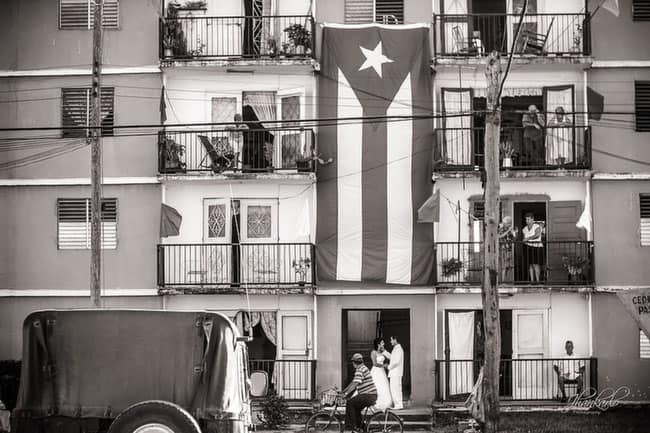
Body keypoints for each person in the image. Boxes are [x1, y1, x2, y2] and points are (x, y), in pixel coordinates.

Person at [343, 353, 377, 433]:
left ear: (354, 363)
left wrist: (345, 394)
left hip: (368, 395)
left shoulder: (360, 370)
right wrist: (344, 391)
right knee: (356, 408)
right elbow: (353, 383)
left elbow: (355, 384)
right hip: (370, 395)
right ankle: (361, 427)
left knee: (350, 403)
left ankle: (353, 427)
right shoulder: (363, 368)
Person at [242, 105, 274, 171]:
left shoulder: (253, 124)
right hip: (255, 146)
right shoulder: (256, 124)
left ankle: (247, 168)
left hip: (255, 146)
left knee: (254, 158)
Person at [370, 338, 393, 411]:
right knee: (377, 385)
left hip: (382, 372)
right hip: (376, 371)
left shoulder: (382, 352)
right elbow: (374, 363)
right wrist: (384, 366)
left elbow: (391, 357)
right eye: (382, 343)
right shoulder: (373, 352)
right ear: (378, 344)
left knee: (384, 385)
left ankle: (385, 401)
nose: (384, 344)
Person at [382, 336, 404, 410]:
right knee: (395, 388)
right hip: (395, 372)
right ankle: (397, 404)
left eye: (391, 340)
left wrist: (388, 367)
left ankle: (398, 405)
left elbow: (396, 362)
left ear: (395, 340)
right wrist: (384, 351)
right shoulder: (396, 348)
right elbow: (392, 357)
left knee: (395, 388)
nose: (390, 341)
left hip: (396, 372)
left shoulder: (398, 349)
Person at [522, 213, 544, 282]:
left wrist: (528, 238)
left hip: (537, 247)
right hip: (528, 247)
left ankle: (538, 281)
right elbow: (524, 238)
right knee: (530, 264)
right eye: (526, 219)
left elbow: (537, 235)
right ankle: (532, 281)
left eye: (528, 219)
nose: (527, 221)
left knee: (536, 264)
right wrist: (524, 240)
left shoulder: (537, 226)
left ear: (532, 219)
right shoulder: (524, 229)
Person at [498, 216, 517, 282]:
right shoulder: (501, 228)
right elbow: (499, 236)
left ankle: (508, 280)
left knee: (509, 265)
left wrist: (514, 233)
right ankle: (502, 281)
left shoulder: (510, 229)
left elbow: (514, 239)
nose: (509, 224)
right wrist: (508, 230)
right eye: (508, 223)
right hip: (502, 249)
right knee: (503, 265)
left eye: (510, 223)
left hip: (509, 249)